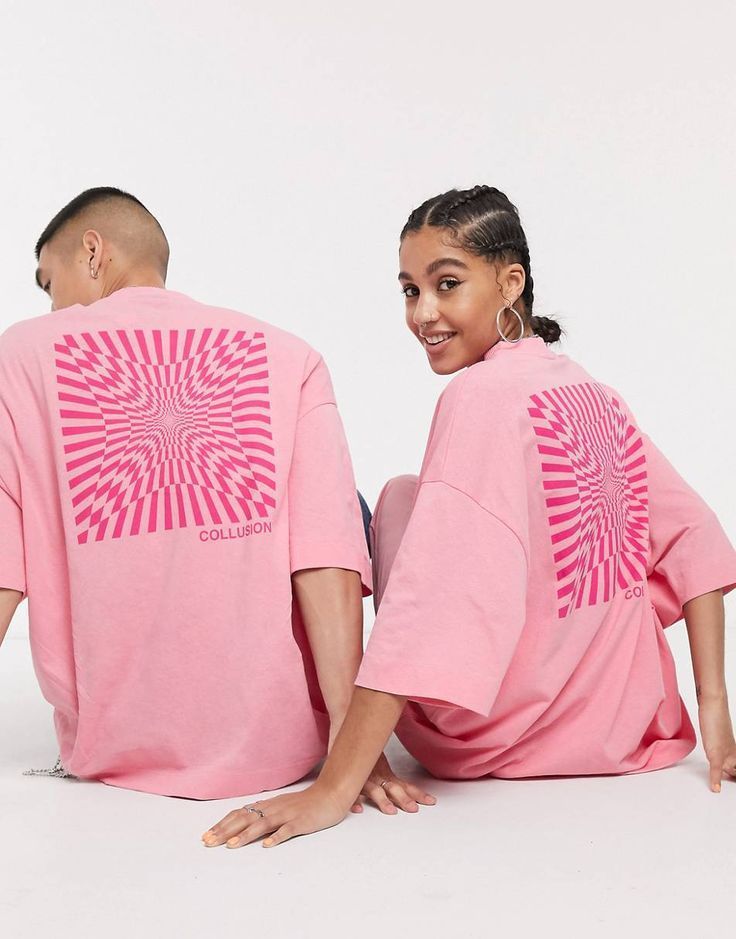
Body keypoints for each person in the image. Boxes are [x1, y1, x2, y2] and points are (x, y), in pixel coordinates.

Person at [202, 184, 736, 849]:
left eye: (446, 284)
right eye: (409, 291)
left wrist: (332, 787)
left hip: (498, 736)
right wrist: (713, 701)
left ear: (509, 282)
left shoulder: (480, 397)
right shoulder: (594, 394)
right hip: (623, 728)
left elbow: (428, 604)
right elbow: (697, 533)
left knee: (398, 498)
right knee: (428, 498)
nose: (423, 313)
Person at [0, 185, 418, 802]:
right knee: (334, 502)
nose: (51, 301)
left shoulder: (18, 357)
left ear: (92, 253)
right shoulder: (292, 355)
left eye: (47, 281)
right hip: (281, 751)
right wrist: (350, 741)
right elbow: (326, 553)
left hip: (112, 750)